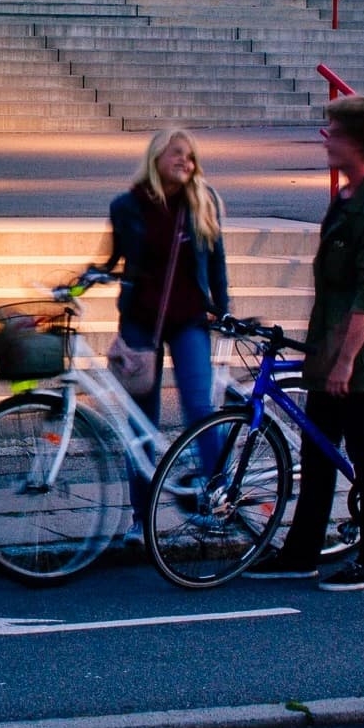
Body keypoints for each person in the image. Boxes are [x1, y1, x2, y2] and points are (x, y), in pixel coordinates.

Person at [249, 94, 364, 592]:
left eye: (335, 131)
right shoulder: (347, 198)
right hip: (332, 345)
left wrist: (345, 362)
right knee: (317, 451)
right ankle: (302, 552)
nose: (326, 138)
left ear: (358, 142)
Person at [99, 127, 229, 536]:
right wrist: (83, 280)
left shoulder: (202, 203)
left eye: (190, 157)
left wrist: (222, 310)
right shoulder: (127, 206)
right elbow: (114, 260)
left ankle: (218, 499)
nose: (184, 162)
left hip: (190, 319)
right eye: (176, 154)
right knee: (142, 422)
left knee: (199, 410)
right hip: (141, 321)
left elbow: (218, 261)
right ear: (156, 158)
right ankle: (142, 518)